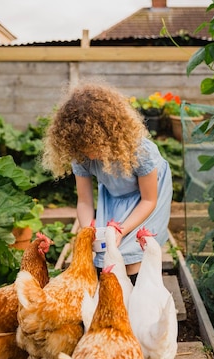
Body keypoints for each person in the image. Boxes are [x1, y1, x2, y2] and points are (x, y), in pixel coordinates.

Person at [42, 81, 172, 282]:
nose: (90, 155)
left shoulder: (141, 152)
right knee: (106, 252)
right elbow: (84, 201)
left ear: (111, 135)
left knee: (131, 252)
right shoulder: (82, 156)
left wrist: (121, 230)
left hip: (148, 195)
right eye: (82, 148)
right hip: (114, 193)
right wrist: (89, 230)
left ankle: (139, 292)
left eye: (94, 146)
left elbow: (149, 201)